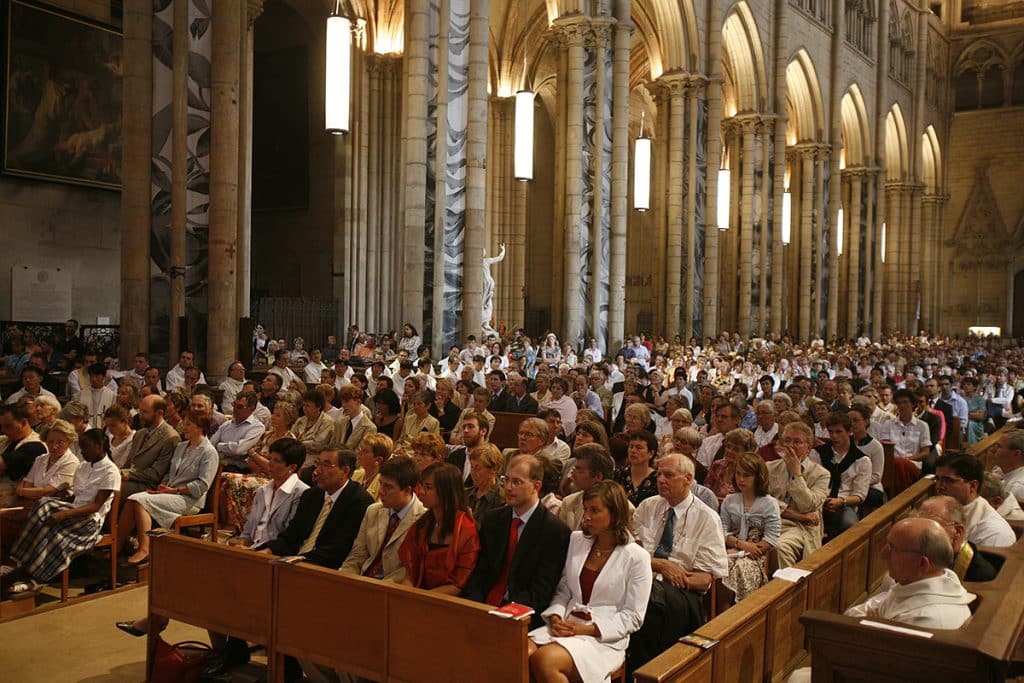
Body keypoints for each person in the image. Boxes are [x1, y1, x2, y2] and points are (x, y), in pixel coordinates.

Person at [786, 517, 977, 683]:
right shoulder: (919, 583)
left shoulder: (927, 621)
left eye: (892, 548)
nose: (883, 554)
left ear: (922, 563)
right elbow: (855, 614)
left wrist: (871, 625)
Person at [528, 481, 652, 683]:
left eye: (595, 510)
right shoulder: (577, 540)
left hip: (603, 639)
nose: (586, 517)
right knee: (519, 652)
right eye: (586, 509)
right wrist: (556, 617)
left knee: (545, 660)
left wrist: (586, 629)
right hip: (567, 624)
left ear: (615, 514)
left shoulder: (637, 557)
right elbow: (565, 589)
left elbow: (633, 617)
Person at [629, 453, 728, 671]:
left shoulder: (707, 518)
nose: (661, 480)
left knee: (649, 606)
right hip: (642, 579)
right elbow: (630, 553)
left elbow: (705, 579)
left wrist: (668, 576)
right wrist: (660, 565)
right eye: (659, 474)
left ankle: (651, 672)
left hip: (681, 592)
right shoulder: (647, 506)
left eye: (668, 475)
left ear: (688, 479)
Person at [3, 429, 120, 590]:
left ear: (99, 446)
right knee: (44, 505)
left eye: (86, 447)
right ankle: (19, 562)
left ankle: (33, 577)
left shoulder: (111, 471)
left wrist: (63, 514)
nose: (83, 451)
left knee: (50, 525)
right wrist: (64, 498)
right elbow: (77, 497)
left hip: (89, 519)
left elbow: (95, 505)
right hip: (75, 510)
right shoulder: (84, 466)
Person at [463, 454, 571, 620]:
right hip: (482, 606)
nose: (508, 487)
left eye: (517, 482)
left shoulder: (554, 531)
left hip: (520, 615)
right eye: (506, 480)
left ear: (536, 486)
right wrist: (474, 606)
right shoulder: (493, 519)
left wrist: (504, 614)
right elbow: (479, 571)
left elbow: (541, 592)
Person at [120, 412, 219, 565]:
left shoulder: (209, 452)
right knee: (131, 500)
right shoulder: (181, 447)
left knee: (139, 500)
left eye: (188, 425)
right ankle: (118, 546)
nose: (183, 428)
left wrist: (174, 491)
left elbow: (202, 485)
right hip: (171, 493)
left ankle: (145, 548)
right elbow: (169, 472)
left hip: (190, 500)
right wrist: (164, 485)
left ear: (200, 428)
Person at [256, 447, 373, 568]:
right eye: (318, 464)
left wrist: (296, 561)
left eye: (326, 465)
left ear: (345, 470)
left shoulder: (359, 502)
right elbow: (292, 535)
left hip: (325, 569)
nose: (317, 471)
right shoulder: (311, 495)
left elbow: (338, 549)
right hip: (294, 562)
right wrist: (268, 550)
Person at [342, 455, 427, 581]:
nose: (381, 491)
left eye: (388, 487)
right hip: (362, 580)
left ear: (407, 490)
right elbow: (357, 555)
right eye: (380, 484)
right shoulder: (373, 511)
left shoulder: (423, 520)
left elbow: (408, 569)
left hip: (391, 589)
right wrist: (345, 578)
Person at [398, 462, 480, 593]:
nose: (421, 492)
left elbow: (458, 584)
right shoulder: (422, 524)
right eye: (422, 486)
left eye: (428, 487)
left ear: (446, 492)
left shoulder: (466, 529)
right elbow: (410, 572)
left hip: (447, 601)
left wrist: (421, 599)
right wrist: (406, 594)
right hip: (418, 596)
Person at [221, 401, 298, 533]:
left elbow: (271, 467)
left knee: (230, 478)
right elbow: (252, 461)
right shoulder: (267, 435)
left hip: (274, 480)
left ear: (288, 420)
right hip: (256, 473)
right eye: (273, 413)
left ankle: (236, 525)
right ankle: (231, 523)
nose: (273, 417)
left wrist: (256, 456)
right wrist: (259, 460)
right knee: (223, 481)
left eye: (278, 415)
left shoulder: (289, 441)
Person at [765, 422, 830, 567]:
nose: (790, 446)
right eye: (787, 441)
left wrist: (796, 475)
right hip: (772, 521)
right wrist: (795, 513)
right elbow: (764, 501)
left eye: (797, 442)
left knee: (781, 547)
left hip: (802, 527)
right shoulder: (769, 467)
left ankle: (787, 588)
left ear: (808, 448)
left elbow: (808, 505)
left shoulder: (821, 474)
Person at [719, 452, 781, 603]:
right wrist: (739, 545)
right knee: (720, 565)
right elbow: (722, 530)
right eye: (738, 474)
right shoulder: (729, 500)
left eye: (746, 475)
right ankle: (720, 614)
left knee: (738, 567)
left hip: (756, 554)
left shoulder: (769, 503)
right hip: (732, 548)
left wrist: (751, 549)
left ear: (758, 477)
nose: (740, 479)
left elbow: (772, 536)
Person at [229, 437, 309, 548]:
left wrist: (254, 551)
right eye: (270, 458)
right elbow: (248, 530)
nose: (270, 464)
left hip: (275, 554)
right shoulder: (262, 490)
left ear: (292, 467)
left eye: (277, 461)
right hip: (252, 549)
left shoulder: (302, 493)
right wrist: (242, 543)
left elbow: (290, 538)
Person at [808, 413, 872, 536]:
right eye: (830, 432)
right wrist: (822, 499)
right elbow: (811, 482)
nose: (834, 436)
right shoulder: (818, 453)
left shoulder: (862, 460)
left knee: (850, 525)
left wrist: (841, 501)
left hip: (845, 503)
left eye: (839, 432)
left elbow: (860, 496)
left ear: (850, 431)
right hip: (819, 501)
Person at [934, 453, 1015, 547]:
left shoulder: (993, 533)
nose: (939, 486)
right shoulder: (943, 509)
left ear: (973, 486)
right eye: (937, 479)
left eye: (949, 481)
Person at [915, 495, 997, 582]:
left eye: (932, 528)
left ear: (957, 532)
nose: (920, 535)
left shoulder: (980, 575)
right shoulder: (920, 556)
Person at [119, 395, 182, 499]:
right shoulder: (140, 433)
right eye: (140, 411)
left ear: (159, 413)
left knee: (113, 488)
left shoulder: (171, 438)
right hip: (131, 479)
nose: (140, 415)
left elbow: (156, 474)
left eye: (145, 412)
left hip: (148, 486)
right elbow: (128, 463)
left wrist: (127, 474)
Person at [559, 444, 618, 530]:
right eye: (573, 469)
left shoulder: (623, 508)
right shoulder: (568, 503)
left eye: (579, 470)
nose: (572, 475)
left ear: (598, 476)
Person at [0, 403, 48, 506]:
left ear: (23, 422)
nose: (3, 430)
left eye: (8, 426)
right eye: (1, 426)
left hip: (13, 505)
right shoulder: (5, 440)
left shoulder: (36, 446)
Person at [209, 391, 266, 471]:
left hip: (238, 468)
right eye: (234, 405)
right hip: (218, 462)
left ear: (252, 408)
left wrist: (219, 446)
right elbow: (211, 444)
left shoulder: (257, 427)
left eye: (239, 407)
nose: (235, 409)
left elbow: (239, 450)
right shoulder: (227, 424)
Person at [293, 390, 337, 483]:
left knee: (293, 474)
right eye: (303, 405)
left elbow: (318, 445)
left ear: (318, 407)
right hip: (296, 456)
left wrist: (298, 443)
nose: (304, 408)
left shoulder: (327, 422)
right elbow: (290, 437)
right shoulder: (300, 420)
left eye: (308, 405)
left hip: (314, 461)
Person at [703, 428, 757, 500]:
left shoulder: (749, 472)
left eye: (736, 449)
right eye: (728, 447)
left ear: (747, 452)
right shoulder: (717, 465)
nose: (729, 451)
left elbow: (747, 500)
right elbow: (706, 492)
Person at [614, 430, 659, 506]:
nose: (633, 450)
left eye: (639, 448)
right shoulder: (618, 474)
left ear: (651, 453)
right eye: (631, 446)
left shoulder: (657, 480)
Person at [466, 443, 506, 520]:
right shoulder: (466, 494)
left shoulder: (502, 500)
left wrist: (471, 521)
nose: (472, 473)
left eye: (477, 468)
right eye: (472, 467)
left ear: (493, 469)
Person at [333, 384, 377, 451]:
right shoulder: (340, 423)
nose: (343, 405)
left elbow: (360, 452)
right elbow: (333, 445)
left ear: (358, 402)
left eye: (346, 401)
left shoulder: (370, 428)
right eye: (342, 402)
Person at [351, 433, 393, 501]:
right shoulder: (355, 474)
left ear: (378, 460)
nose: (359, 453)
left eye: (365, 451)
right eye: (361, 449)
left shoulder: (383, 485)